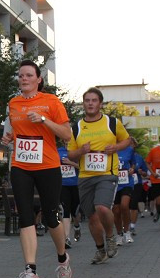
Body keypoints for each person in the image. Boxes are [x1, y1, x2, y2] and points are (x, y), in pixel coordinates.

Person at [1, 60, 72, 278]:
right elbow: (12, 131)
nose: (24, 79)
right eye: (21, 75)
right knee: (25, 215)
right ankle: (31, 271)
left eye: (29, 75)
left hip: (48, 165)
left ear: (38, 79)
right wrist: (8, 138)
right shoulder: (13, 103)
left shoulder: (51, 102)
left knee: (51, 216)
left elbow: (67, 134)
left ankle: (62, 257)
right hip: (21, 164)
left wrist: (43, 119)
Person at [67, 88, 131, 264]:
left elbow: (127, 140)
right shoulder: (76, 127)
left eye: (94, 100)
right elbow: (70, 155)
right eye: (87, 100)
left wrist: (116, 148)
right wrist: (81, 150)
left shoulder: (112, 123)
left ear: (100, 104)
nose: (90, 103)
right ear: (83, 104)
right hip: (85, 176)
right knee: (92, 217)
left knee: (102, 207)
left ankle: (111, 237)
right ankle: (100, 249)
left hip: (107, 174)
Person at [112, 137, 137, 245]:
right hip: (113, 183)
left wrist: (132, 169)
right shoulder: (110, 149)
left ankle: (127, 232)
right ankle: (119, 234)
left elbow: (133, 164)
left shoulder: (129, 150)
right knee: (116, 210)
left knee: (124, 205)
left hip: (126, 182)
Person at [57, 141, 80, 251]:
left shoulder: (77, 151)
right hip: (63, 185)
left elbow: (83, 167)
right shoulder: (58, 151)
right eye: (66, 140)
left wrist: (71, 163)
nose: (67, 142)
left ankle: (77, 226)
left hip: (75, 184)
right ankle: (67, 238)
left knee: (75, 211)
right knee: (66, 210)